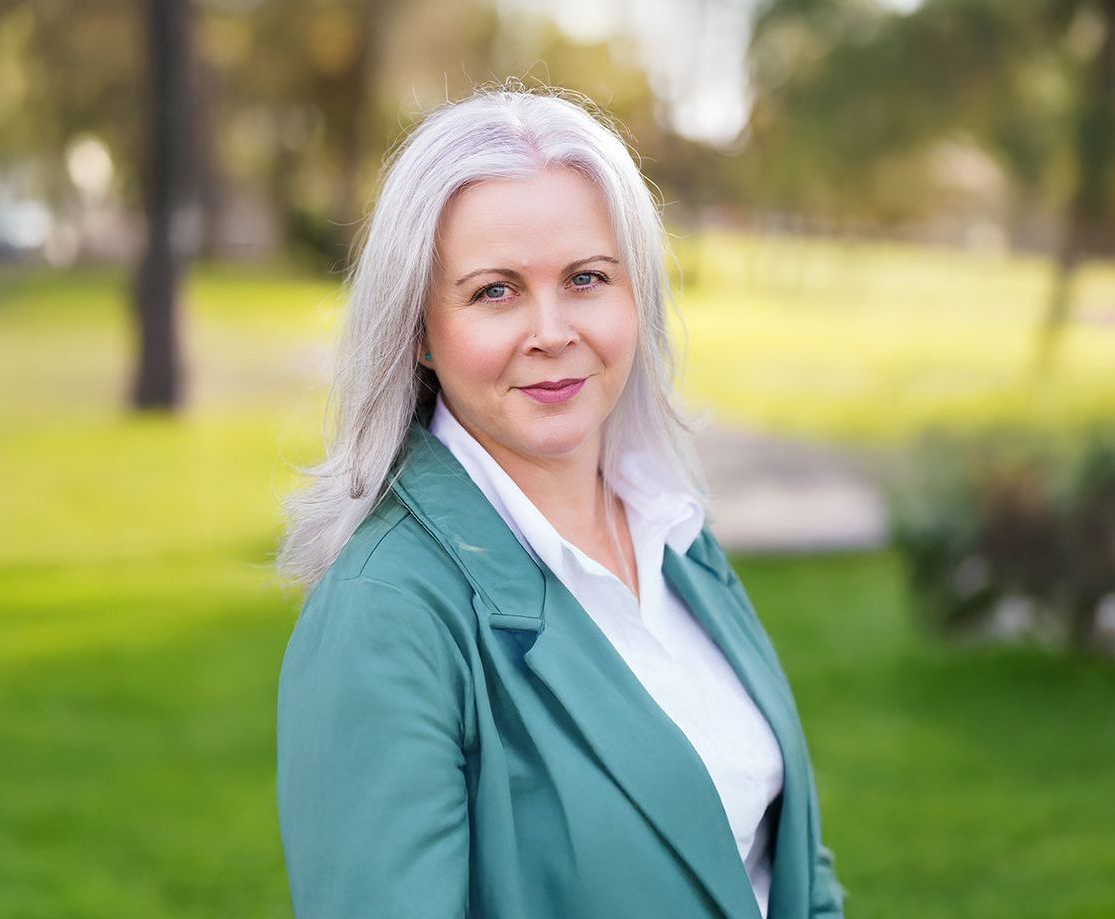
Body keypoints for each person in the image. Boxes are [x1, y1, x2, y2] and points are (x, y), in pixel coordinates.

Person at [274, 85, 847, 919]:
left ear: (635, 296)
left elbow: (791, 862)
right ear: (420, 330)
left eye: (586, 278)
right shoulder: (386, 615)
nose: (551, 331)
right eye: (495, 291)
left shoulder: (673, 527)